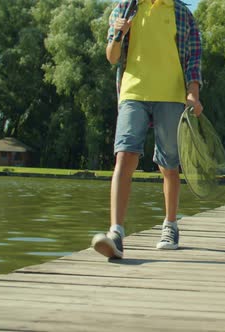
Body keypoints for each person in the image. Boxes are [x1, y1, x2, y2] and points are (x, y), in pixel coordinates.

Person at [91, 0, 202, 259]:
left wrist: (193, 93)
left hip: (171, 95)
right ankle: (116, 232)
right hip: (133, 92)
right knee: (124, 156)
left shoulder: (181, 13)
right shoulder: (124, 8)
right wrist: (119, 34)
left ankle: (170, 226)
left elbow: (194, 58)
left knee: (169, 164)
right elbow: (112, 56)